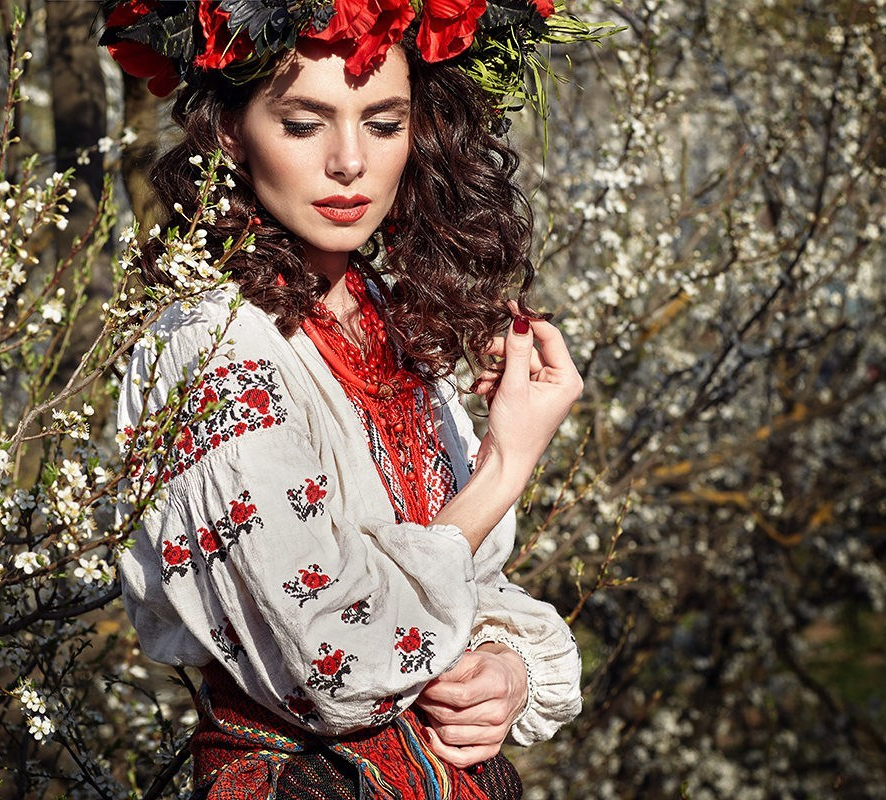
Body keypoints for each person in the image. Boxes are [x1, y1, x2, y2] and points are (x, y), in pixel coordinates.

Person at [100, 2, 589, 797]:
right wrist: (504, 467)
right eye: (303, 124)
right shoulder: (210, 346)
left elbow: (470, 585)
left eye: (384, 122)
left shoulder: (388, 323)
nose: (350, 162)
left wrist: (503, 674)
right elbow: (333, 659)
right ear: (229, 131)